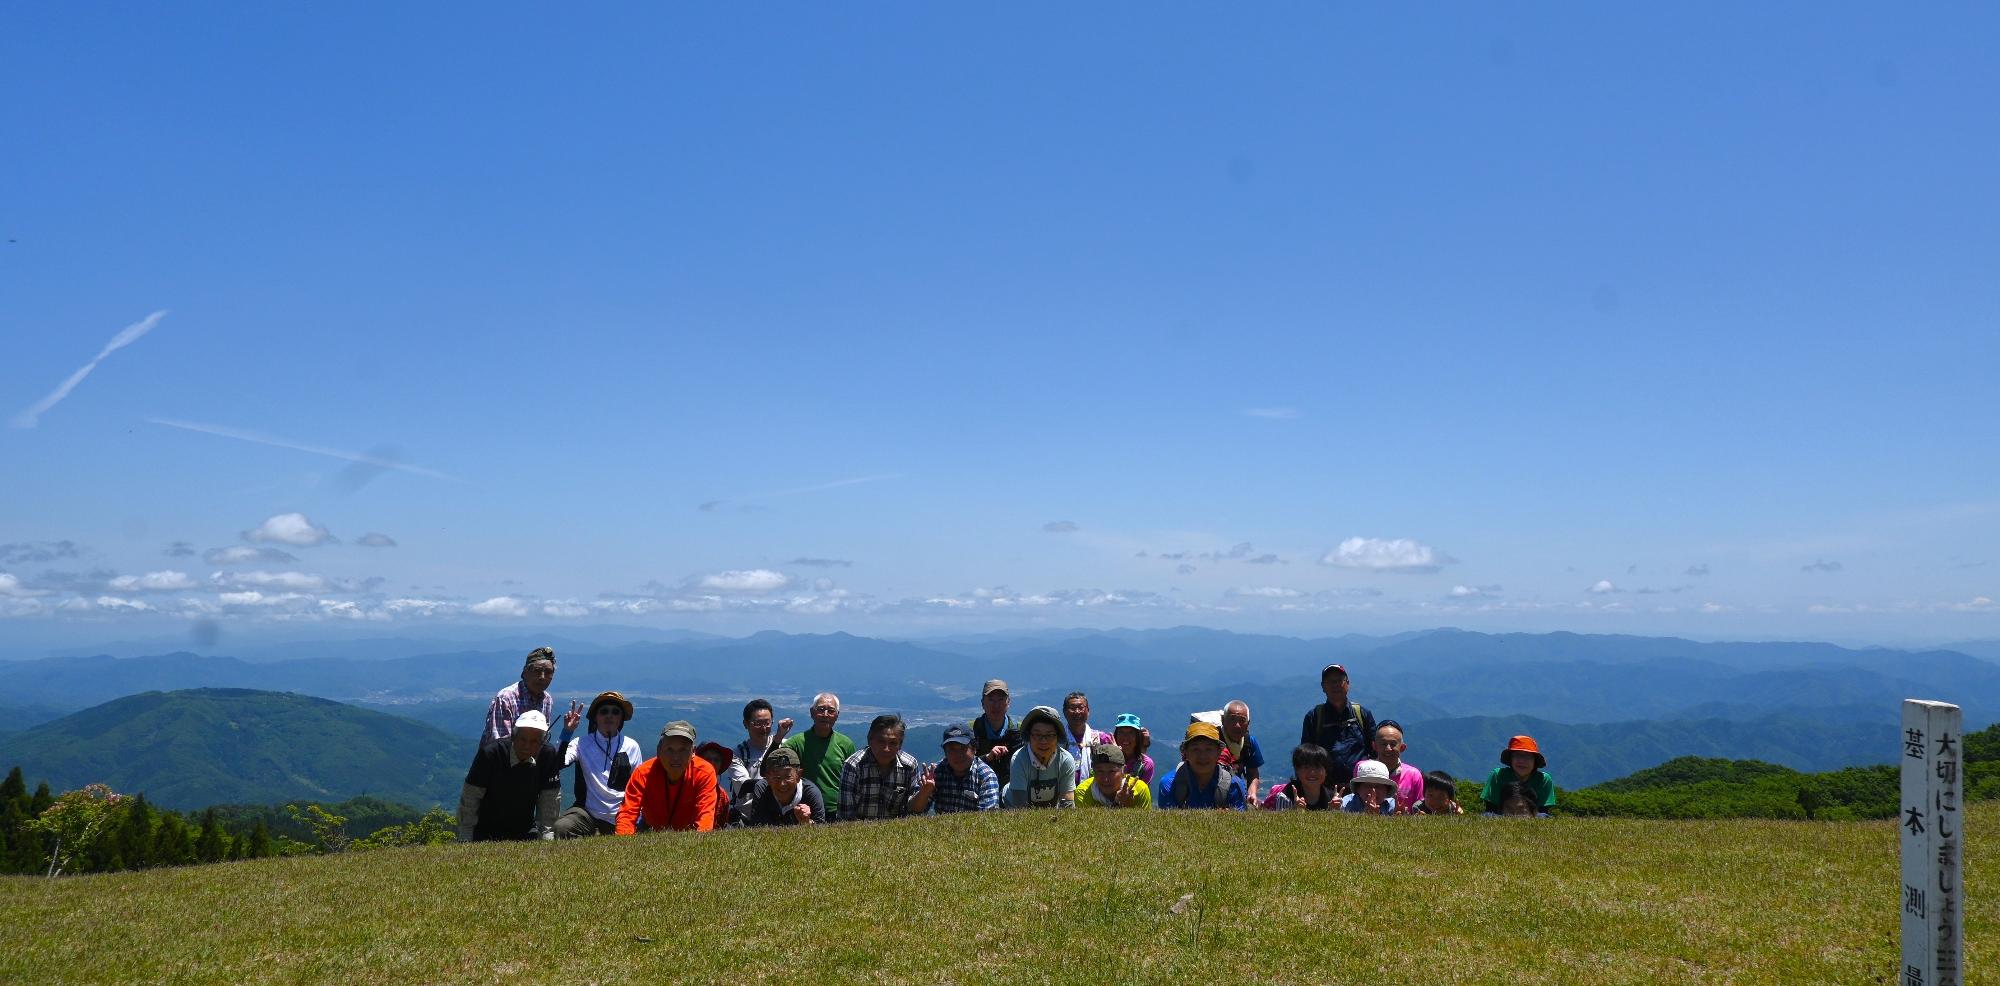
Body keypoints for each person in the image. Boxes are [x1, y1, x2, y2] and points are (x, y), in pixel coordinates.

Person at [458, 710, 563, 841]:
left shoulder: (547, 754)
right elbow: (470, 797)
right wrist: (466, 836)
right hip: (485, 830)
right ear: (513, 737)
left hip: (525, 830)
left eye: (534, 742)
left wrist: (547, 836)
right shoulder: (491, 753)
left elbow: (550, 799)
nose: (527, 746)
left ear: (542, 742)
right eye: (522, 739)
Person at [552, 691, 642, 838]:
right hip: (588, 812)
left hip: (622, 813)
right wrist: (567, 732)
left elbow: (638, 784)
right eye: (604, 711)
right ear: (595, 717)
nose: (609, 715)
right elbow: (558, 762)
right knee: (562, 828)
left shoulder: (632, 746)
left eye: (615, 712)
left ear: (621, 719)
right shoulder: (581, 743)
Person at [616, 721, 720, 834]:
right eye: (669, 749)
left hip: (689, 832)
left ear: (693, 752)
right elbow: (628, 812)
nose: (676, 757)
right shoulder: (643, 773)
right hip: (649, 829)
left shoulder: (705, 772)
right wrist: (624, 842)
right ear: (659, 750)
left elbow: (705, 815)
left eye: (683, 750)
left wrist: (700, 843)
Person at [839, 714, 930, 821]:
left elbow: (915, 812)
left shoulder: (909, 765)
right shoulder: (854, 765)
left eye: (893, 743)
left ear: (900, 745)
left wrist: (924, 793)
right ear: (870, 740)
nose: (886, 749)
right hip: (858, 830)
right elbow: (846, 815)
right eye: (881, 741)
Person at [783, 692, 857, 822]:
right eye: (821, 709)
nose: (825, 714)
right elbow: (774, 764)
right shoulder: (796, 743)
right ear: (812, 712)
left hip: (838, 811)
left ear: (837, 715)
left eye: (831, 711)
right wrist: (778, 737)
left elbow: (854, 780)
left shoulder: (846, 744)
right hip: (805, 811)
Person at [1300, 663, 1376, 787]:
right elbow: (1305, 755)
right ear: (1323, 687)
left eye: (1339, 680)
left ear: (1348, 684)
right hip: (1325, 787)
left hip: (1360, 787)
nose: (1335, 685)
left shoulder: (1362, 714)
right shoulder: (1314, 717)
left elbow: (1374, 750)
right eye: (1330, 681)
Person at [1156, 722, 1247, 810]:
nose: (1202, 756)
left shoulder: (1233, 785)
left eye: (1209, 749)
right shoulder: (1170, 783)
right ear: (1185, 753)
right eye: (1195, 749)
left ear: (1219, 752)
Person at [483, 646, 559, 743]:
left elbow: (542, 738)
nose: (542, 677)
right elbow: (499, 744)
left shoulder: (547, 700)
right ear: (525, 672)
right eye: (537, 671)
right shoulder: (506, 698)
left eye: (548, 672)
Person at [1005, 705, 1076, 808]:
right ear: (1029, 736)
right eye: (1037, 735)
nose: (1043, 741)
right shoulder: (1019, 759)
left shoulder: (1065, 760)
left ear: (1057, 737)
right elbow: (1019, 808)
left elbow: (1067, 803)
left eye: (1049, 735)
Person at [734, 746, 824, 828]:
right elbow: (757, 827)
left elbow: (822, 832)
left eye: (788, 777)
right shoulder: (762, 788)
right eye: (777, 778)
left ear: (798, 775)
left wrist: (807, 822)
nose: (782, 784)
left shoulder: (811, 793)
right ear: (768, 778)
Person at [729, 698, 794, 799]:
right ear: (745, 724)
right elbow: (744, 785)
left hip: (781, 811)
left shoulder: (785, 745)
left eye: (767, 723)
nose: (763, 728)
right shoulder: (738, 754)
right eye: (758, 723)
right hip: (748, 813)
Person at [928, 724, 1000, 814]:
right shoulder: (935, 772)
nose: (958, 755)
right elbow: (914, 811)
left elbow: (988, 818)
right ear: (945, 752)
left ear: (974, 749)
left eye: (963, 748)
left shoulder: (986, 776)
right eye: (952, 749)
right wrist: (925, 791)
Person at [1481, 735, 1557, 817]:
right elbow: (1490, 809)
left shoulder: (1543, 780)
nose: (1521, 761)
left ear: (1535, 760)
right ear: (1511, 759)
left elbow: (1543, 811)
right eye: (1517, 755)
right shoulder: (1497, 775)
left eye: (1527, 756)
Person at [969, 678, 1022, 792]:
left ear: (1008, 702)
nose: (996, 705)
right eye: (991, 700)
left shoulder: (1019, 731)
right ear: (983, 703)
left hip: (1012, 791)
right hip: (978, 790)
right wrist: (987, 757)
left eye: (1001, 699)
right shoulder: (971, 731)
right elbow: (963, 764)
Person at [1261, 743, 1337, 811]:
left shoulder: (1332, 798)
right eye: (1306, 767)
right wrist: (1294, 812)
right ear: (1297, 770)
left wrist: (1335, 811)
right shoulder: (1286, 797)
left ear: (1326, 771)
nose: (1312, 772)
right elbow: (1280, 825)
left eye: (1317, 767)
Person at [1370, 720, 1425, 814]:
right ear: (1374, 746)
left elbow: (1419, 808)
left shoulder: (1413, 775)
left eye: (1393, 744)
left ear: (1402, 748)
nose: (1388, 748)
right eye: (1383, 744)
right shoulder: (1364, 769)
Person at [1060, 692, 1114, 786]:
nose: (1077, 711)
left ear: (1088, 711)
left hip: (1093, 795)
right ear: (1064, 712)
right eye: (1072, 708)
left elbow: (1114, 767)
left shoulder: (1101, 739)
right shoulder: (1057, 739)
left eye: (1081, 708)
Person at [1219, 700, 1266, 804]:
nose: (1237, 725)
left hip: (1235, 792)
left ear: (1248, 724)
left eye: (1242, 720)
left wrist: (1252, 793)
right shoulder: (1214, 741)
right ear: (1222, 720)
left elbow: (1253, 773)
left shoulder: (1249, 742)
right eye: (1232, 719)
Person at [1077, 743, 1151, 808]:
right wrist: (1119, 806)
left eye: (1112, 771)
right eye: (1100, 771)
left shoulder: (1140, 790)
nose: (1105, 779)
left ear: (1123, 771)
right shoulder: (1083, 792)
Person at [697, 742, 737, 821]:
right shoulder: (687, 789)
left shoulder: (723, 797)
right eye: (707, 759)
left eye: (716, 760)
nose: (712, 763)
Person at [1111, 713, 1155, 784]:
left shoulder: (1146, 764)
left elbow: (1141, 791)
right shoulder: (1106, 759)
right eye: (1121, 732)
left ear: (1137, 737)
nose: (1125, 737)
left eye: (1131, 733)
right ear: (1116, 735)